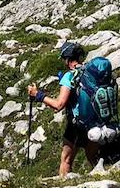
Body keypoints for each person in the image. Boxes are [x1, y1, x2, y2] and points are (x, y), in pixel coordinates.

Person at [27, 40, 99, 176]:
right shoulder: (91, 72)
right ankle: (101, 181)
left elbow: (59, 105)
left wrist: (38, 95)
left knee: (66, 160)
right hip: (95, 122)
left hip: (77, 125)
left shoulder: (69, 76)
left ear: (67, 59)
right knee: (93, 158)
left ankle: (63, 186)